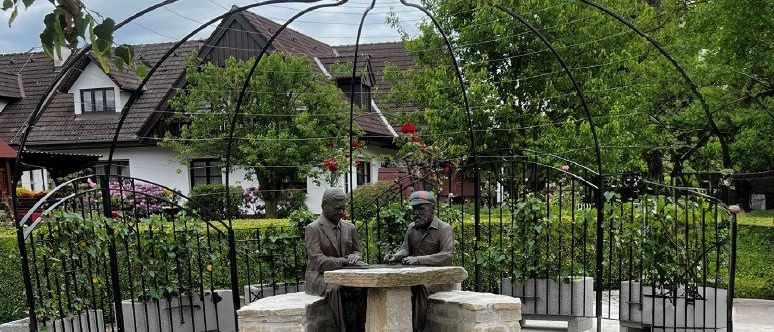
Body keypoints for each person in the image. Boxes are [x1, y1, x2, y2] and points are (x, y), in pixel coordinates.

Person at [384, 190, 454, 332]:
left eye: (421, 209)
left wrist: (418, 259)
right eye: (414, 209)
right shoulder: (412, 228)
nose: (416, 213)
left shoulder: (444, 229)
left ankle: (417, 329)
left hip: (438, 279)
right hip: (415, 276)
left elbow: (447, 256)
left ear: (433, 209)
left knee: (421, 286)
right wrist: (396, 256)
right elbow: (405, 250)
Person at [304, 188, 366, 332]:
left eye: (343, 208)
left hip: (345, 273)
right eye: (337, 208)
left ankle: (362, 328)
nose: (341, 212)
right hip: (319, 275)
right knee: (336, 288)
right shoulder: (313, 228)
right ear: (324, 205)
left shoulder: (350, 228)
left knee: (361, 287)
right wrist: (344, 261)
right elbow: (319, 262)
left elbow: (357, 251)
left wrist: (356, 256)